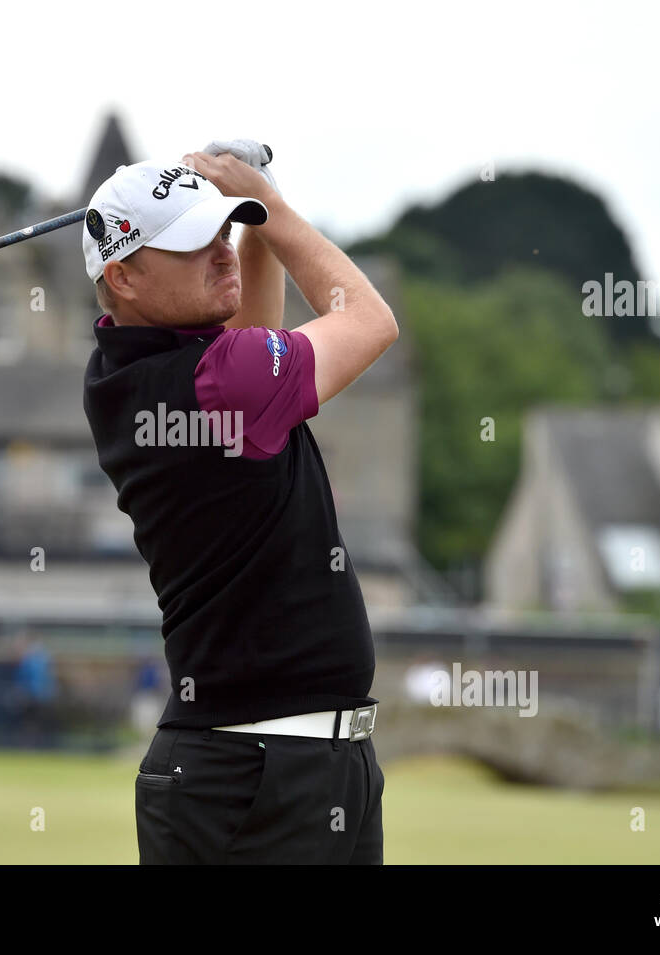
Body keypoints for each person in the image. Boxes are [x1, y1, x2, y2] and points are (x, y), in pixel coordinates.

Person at [81, 140, 398, 864]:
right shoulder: (218, 380)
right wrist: (276, 214)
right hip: (252, 776)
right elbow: (370, 320)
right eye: (195, 243)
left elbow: (248, 338)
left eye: (223, 232)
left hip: (292, 768)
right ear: (123, 275)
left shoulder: (125, 373)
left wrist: (251, 217)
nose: (220, 252)